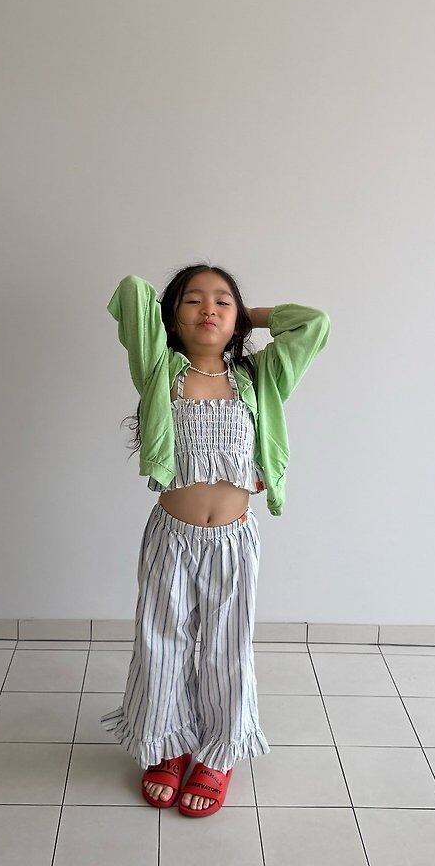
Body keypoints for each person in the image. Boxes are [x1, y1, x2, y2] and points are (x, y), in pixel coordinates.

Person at [100, 262, 330, 817]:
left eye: (222, 301)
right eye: (194, 301)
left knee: (227, 647)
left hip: (233, 542)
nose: (209, 309)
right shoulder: (160, 369)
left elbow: (313, 324)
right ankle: (167, 743)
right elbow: (133, 292)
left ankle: (217, 753)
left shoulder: (259, 378)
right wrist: (190, 313)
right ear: (171, 318)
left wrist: (247, 317)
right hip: (171, 540)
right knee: (162, 644)